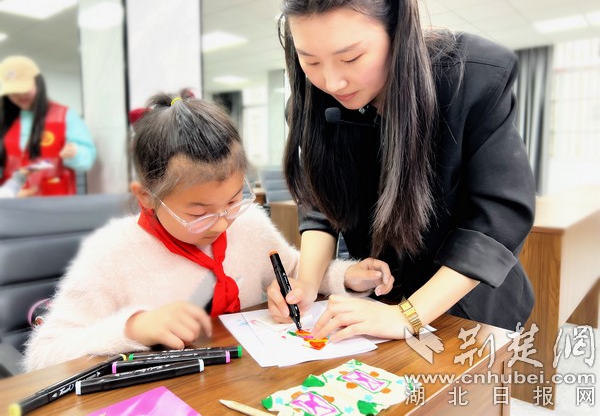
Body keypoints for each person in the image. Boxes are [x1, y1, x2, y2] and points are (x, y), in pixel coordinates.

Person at [23, 93, 392, 372]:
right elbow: (43, 354)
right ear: (147, 198)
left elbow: (296, 271)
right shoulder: (113, 254)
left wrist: (347, 274)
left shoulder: (248, 225)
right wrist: (135, 327)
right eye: (198, 213)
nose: (221, 223)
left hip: (249, 378)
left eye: (233, 200)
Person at [267, 0, 536, 342]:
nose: (332, 82)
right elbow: (321, 200)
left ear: (397, 31)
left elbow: (497, 218)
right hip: (378, 299)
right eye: (309, 61)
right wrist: (307, 284)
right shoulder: (311, 102)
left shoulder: (468, 79)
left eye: (351, 58)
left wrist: (407, 316)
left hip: (467, 305)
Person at [0, 55, 96, 196]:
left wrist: (75, 153)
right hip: (12, 205)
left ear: (38, 83)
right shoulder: (4, 121)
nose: (20, 95)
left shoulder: (65, 115)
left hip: (55, 204)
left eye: (24, 89)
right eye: (14, 92)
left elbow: (87, 159)